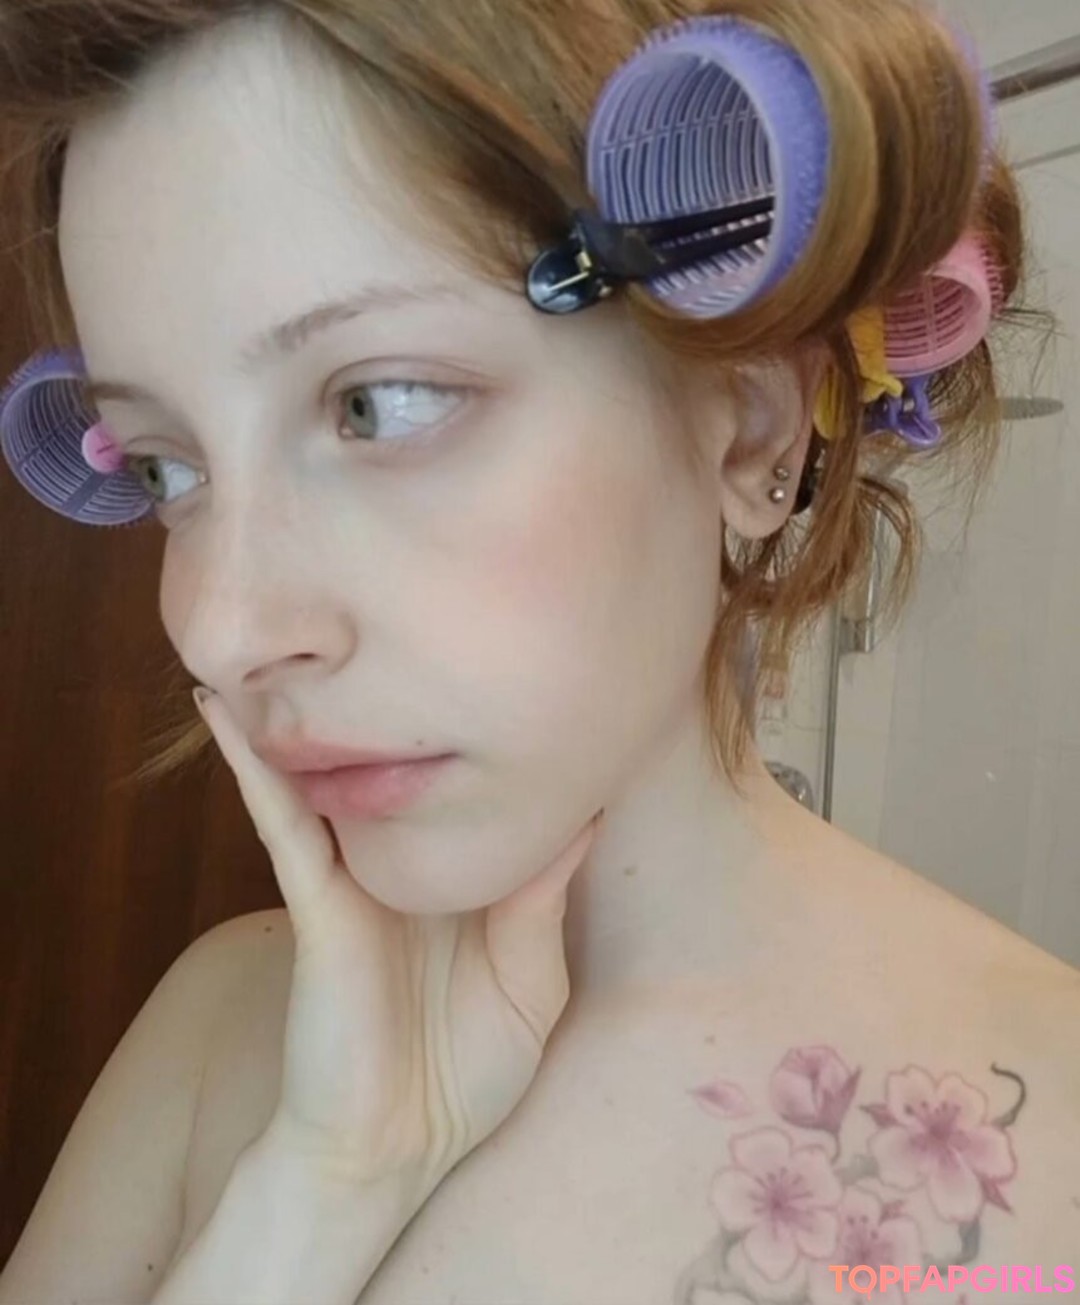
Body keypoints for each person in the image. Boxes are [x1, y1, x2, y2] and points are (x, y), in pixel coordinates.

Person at [0, 1, 1077, 1302]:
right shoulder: (212, 1028)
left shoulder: (1049, 1163)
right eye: (166, 467)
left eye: (380, 402)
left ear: (751, 423)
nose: (223, 631)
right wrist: (321, 1191)